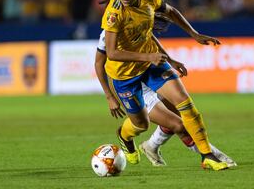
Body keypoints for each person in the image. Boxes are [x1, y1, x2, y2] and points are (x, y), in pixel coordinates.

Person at [101, 0, 227, 171]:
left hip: (151, 65)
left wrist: (194, 35)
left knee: (184, 103)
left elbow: (171, 12)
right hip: (124, 77)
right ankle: (124, 135)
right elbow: (112, 53)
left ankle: (207, 156)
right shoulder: (114, 14)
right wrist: (147, 57)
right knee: (141, 124)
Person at [95, 30, 237, 167]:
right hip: (131, 83)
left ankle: (153, 146)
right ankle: (124, 135)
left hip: (151, 71)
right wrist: (109, 96)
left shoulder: (138, 16)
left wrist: (170, 59)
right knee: (170, 125)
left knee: (183, 110)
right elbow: (99, 63)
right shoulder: (109, 31)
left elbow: (151, 36)